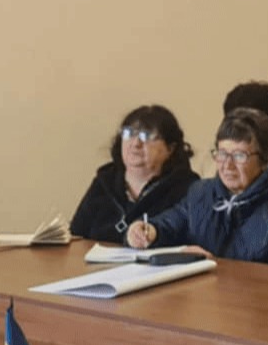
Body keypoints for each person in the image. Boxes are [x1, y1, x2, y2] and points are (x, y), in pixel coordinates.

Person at [128, 108, 268, 267]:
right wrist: (148, 231)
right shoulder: (200, 193)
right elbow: (169, 224)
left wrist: (217, 267)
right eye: (222, 154)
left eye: (239, 156)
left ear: (266, 159)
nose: (227, 165)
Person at [68, 105, 200, 244]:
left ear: (170, 148)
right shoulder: (105, 181)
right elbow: (76, 234)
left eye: (147, 136)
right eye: (128, 134)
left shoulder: (188, 187)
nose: (136, 143)